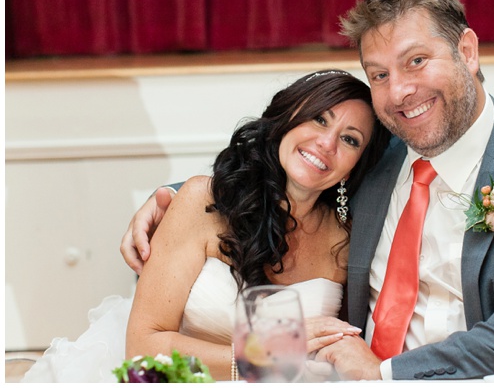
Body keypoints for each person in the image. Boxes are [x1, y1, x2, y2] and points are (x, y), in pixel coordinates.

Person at [121, 0, 494, 380]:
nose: (399, 91)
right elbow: (293, 174)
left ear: (467, 52)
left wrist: (384, 375)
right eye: (379, 74)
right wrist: (175, 198)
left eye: (416, 61)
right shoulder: (376, 155)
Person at [22, 69, 391, 382]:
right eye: (319, 119)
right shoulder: (202, 202)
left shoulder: (347, 240)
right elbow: (144, 346)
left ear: (357, 164)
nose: (326, 143)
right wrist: (260, 356)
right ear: (288, 117)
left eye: (349, 139)